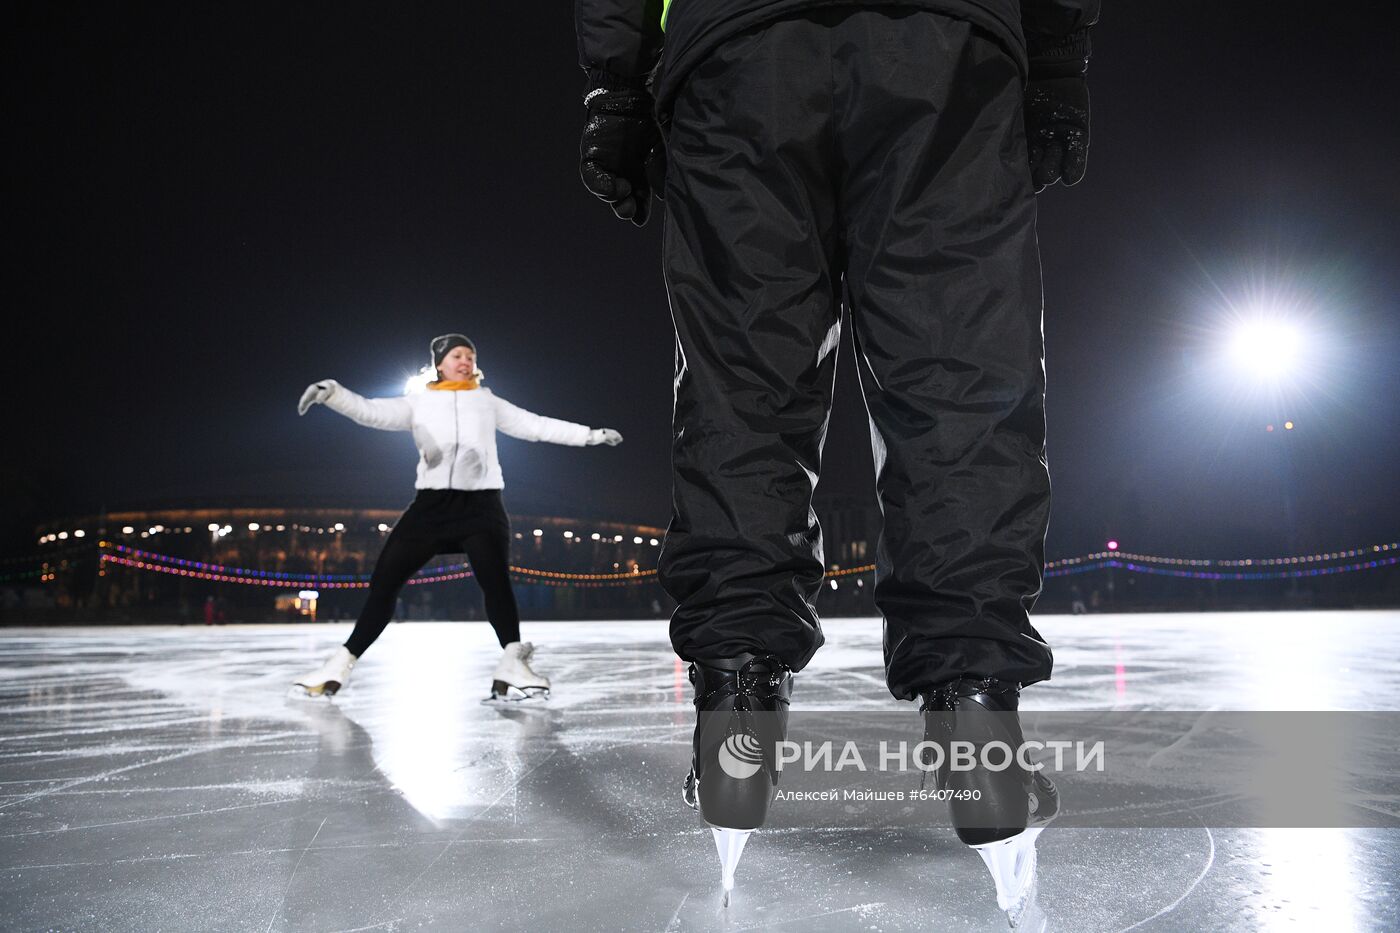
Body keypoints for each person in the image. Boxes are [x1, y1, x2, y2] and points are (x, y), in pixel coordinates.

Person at [575, 0, 1098, 911]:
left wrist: (617, 84)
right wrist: (1055, 52)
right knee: (959, 372)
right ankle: (975, 709)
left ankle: (738, 710)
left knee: (743, 378)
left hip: (738, 55)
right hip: (945, 48)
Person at [291, 333, 623, 701]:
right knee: (384, 583)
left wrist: (589, 436)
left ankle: (513, 661)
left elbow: (536, 425)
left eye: (470, 355)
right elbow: (372, 411)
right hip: (431, 509)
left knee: (496, 583)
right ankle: (340, 662)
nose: (465, 361)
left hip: (481, 508)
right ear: (439, 364)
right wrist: (333, 393)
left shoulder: (487, 401)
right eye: (456, 356)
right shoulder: (418, 402)